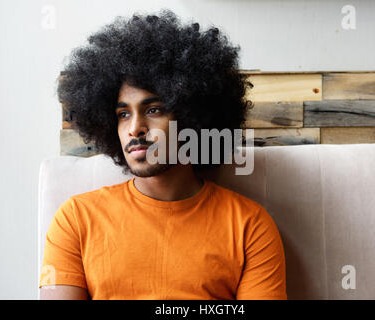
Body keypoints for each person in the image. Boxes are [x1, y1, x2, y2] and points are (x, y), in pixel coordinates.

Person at [39, 9, 286, 300]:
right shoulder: (76, 219)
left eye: (153, 110)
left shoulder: (250, 226)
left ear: (193, 116)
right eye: (122, 114)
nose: (135, 128)